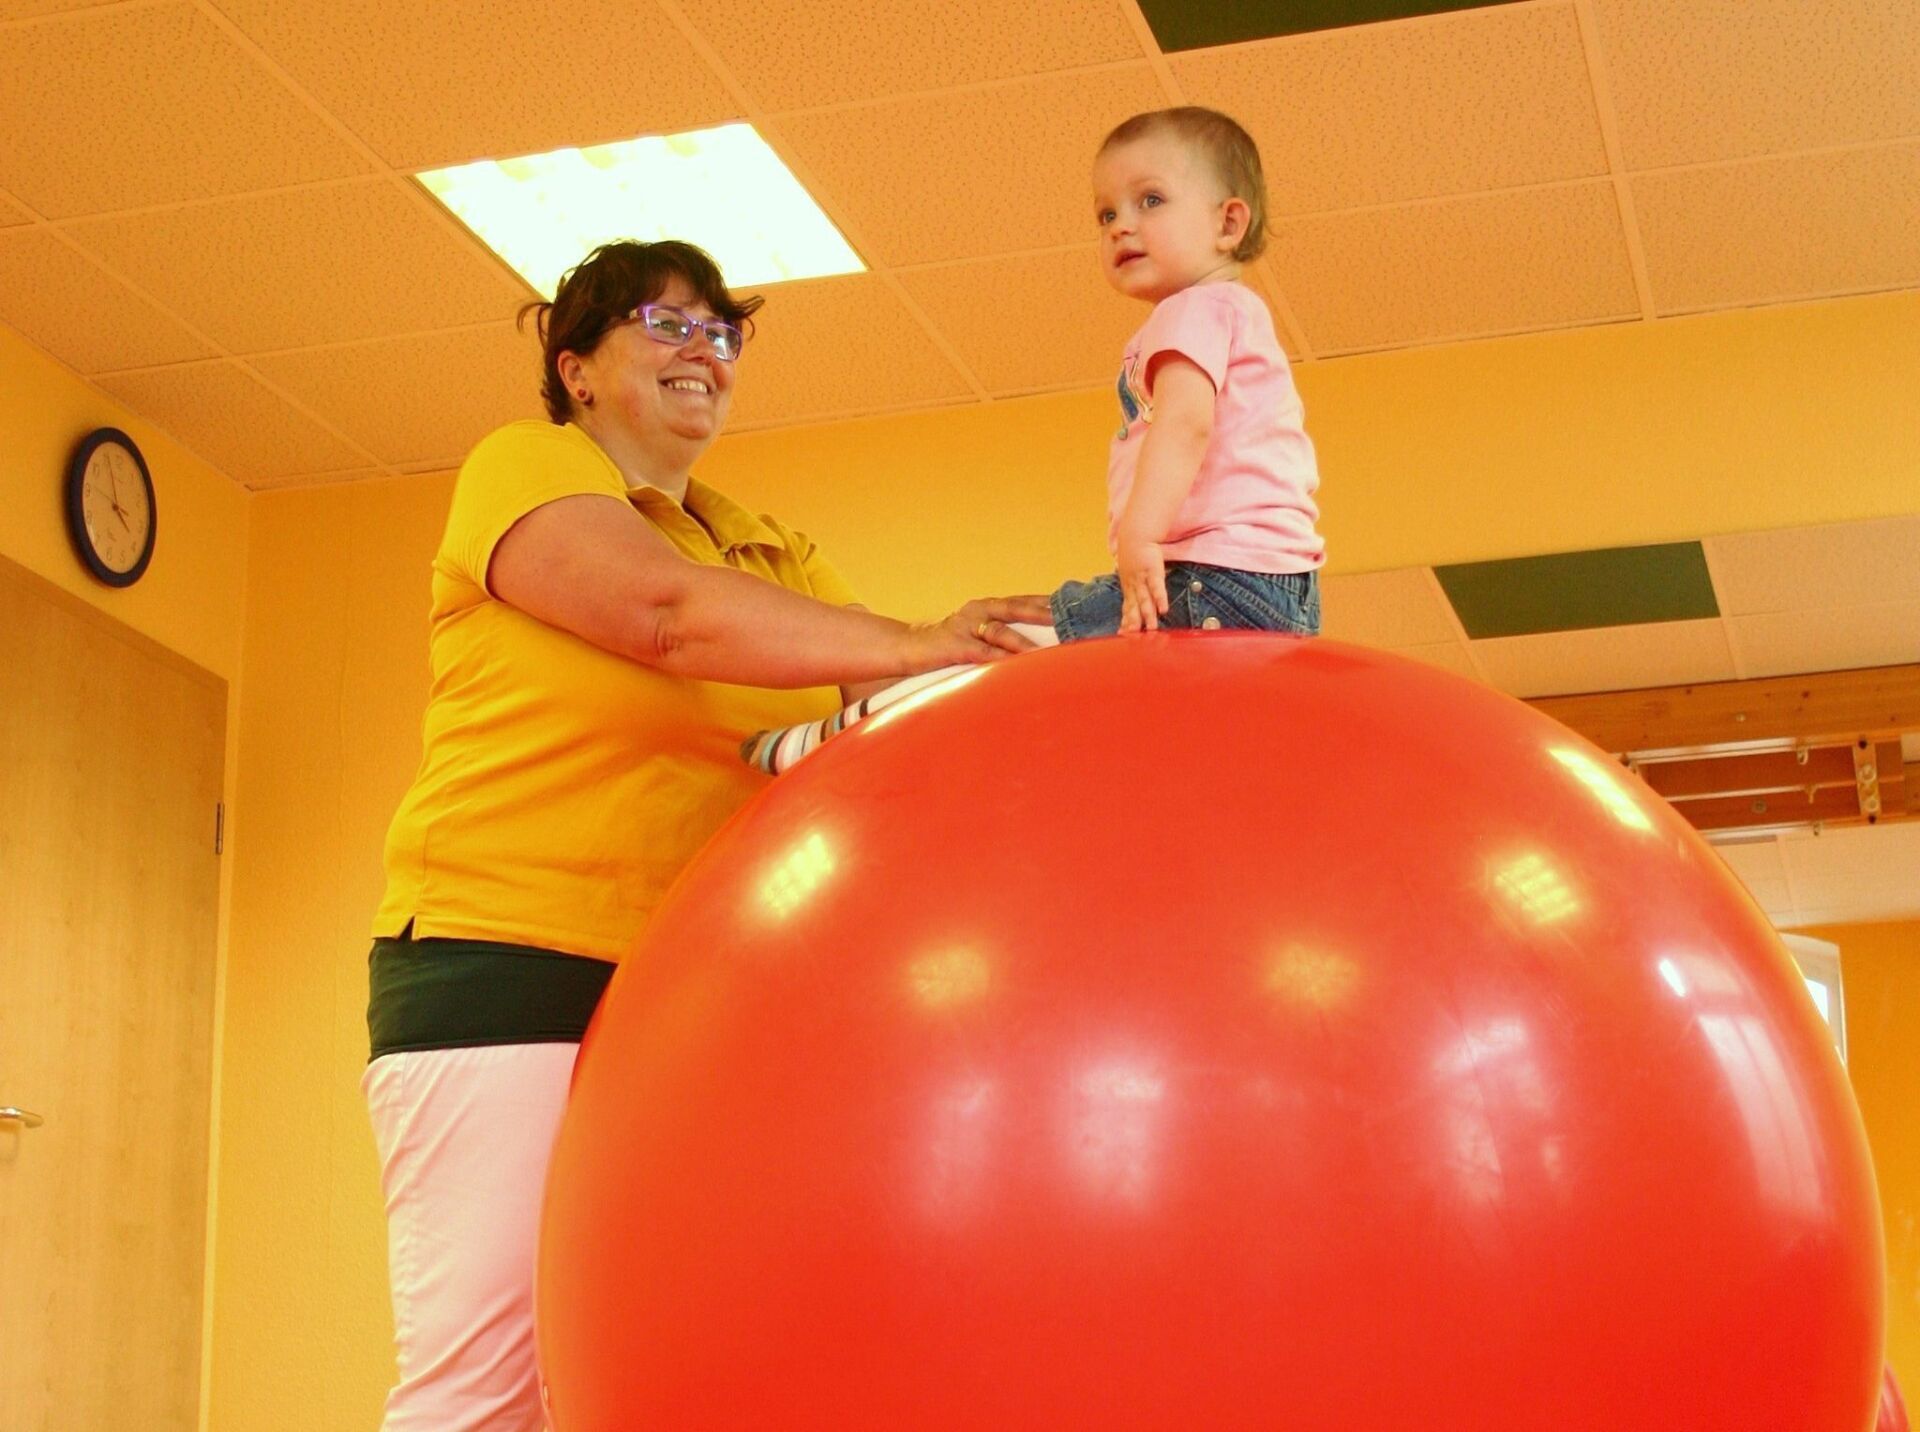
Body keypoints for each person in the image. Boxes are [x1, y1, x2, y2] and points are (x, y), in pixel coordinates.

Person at [361, 238, 1047, 1431]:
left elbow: (892, 706)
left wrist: (1055, 649)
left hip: (690, 997)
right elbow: (662, 613)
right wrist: (919, 640)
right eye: (665, 324)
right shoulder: (524, 467)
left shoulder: (769, 551)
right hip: (506, 966)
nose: (704, 352)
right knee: (494, 1387)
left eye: (721, 333)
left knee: (656, 1362)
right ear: (576, 369)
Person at [743, 106, 1324, 776]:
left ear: (1228, 223)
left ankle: (843, 737)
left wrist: (1141, 536)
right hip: (1270, 594)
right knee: (1069, 665)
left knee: (1004, 647)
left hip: (1211, 582)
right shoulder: (1233, 314)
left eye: (1151, 200)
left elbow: (1185, 422)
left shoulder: (1195, 310)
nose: (1121, 225)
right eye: (1106, 214)